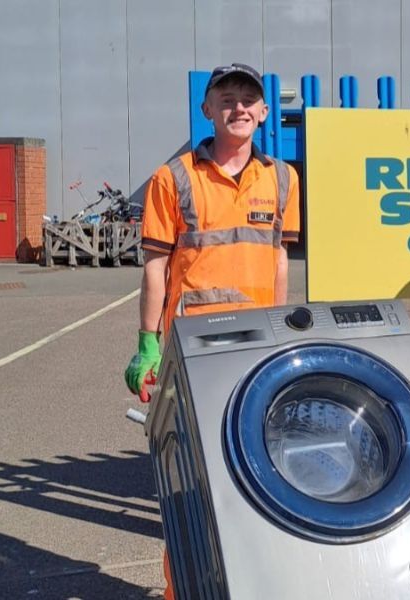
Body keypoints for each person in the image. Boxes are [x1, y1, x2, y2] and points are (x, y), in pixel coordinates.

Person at [123, 62, 300, 600]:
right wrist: (149, 343)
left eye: (249, 98)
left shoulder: (283, 177)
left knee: (256, 471)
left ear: (264, 111)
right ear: (208, 110)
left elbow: (278, 259)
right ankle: (184, 590)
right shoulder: (172, 178)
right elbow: (155, 266)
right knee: (192, 485)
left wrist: (282, 330)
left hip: (257, 348)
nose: (239, 106)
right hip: (194, 351)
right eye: (227, 98)